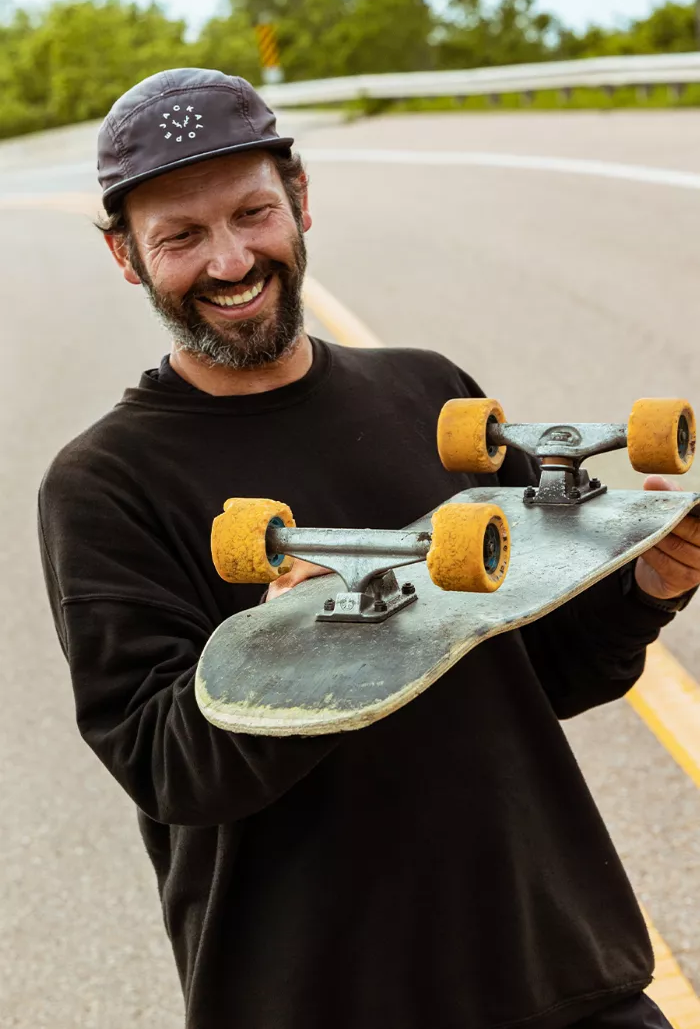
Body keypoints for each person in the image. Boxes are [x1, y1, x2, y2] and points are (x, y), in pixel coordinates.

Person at [38, 68, 700, 1029]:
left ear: (300, 200)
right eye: (180, 237)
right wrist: (301, 648)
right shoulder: (103, 484)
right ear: (126, 256)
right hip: (323, 995)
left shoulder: (427, 393)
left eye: (252, 214)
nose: (229, 261)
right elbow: (169, 770)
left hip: (557, 969)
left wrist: (646, 583)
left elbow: (538, 671)